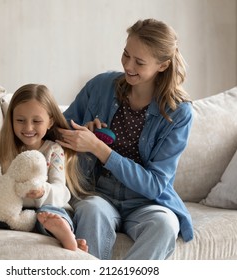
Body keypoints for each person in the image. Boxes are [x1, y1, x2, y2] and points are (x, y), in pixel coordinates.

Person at [57, 18, 194, 259]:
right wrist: (81, 134)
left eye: (139, 62)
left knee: (165, 226)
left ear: (162, 65)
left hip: (147, 202)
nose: (128, 66)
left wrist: (100, 149)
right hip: (97, 192)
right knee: (91, 211)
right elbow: (56, 131)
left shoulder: (179, 113)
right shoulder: (100, 86)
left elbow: (155, 184)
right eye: (126, 54)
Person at [0, 84, 89, 251]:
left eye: (36, 121)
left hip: (45, 210)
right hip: (12, 212)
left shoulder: (53, 151)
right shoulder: (3, 151)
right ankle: (61, 236)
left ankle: (62, 232)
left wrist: (43, 192)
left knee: (50, 214)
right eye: (20, 120)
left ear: (50, 122)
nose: (28, 128)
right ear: (11, 120)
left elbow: (61, 192)